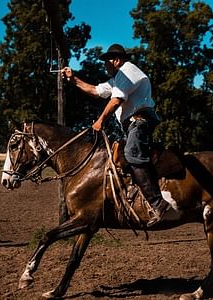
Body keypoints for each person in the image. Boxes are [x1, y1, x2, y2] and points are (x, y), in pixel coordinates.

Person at [61, 43, 169, 227]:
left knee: (132, 155)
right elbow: (96, 91)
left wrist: (100, 121)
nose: (105, 65)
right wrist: (73, 79)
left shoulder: (128, 72)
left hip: (139, 121)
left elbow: (116, 100)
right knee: (123, 157)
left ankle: (158, 205)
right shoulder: (118, 78)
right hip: (133, 124)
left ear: (117, 60)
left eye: (107, 61)